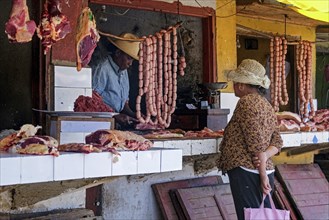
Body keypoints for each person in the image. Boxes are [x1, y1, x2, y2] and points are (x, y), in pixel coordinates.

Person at [217, 59, 283, 220]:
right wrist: (266, 158)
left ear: (241, 85)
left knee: (249, 216)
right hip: (263, 169)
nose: (234, 85)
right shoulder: (266, 104)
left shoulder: (245, 102)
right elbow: (278, 141)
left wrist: (262, 176)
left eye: (235, 82)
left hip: (249, 170)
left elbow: (256, 145)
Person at [92, 33, 141, 129]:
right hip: (102, 122)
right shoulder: (103, 68)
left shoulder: (123, 70)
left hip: (116, 122)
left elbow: (124, 102)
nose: (130, 64)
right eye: (129, 58)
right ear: (118, 53)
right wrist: (114, 116)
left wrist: (134, 115)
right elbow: (93, 100)